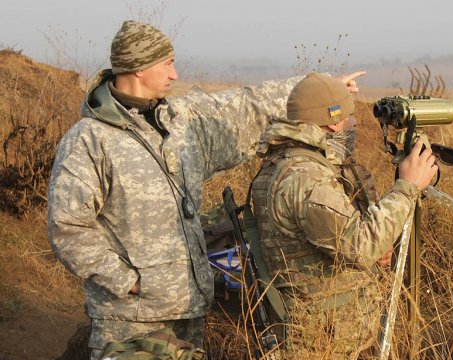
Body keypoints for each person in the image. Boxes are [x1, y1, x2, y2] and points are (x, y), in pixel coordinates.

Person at [46, 20, 361, 359]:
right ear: (138, 68)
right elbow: (68, 227)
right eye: (167, 63)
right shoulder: (89, 140)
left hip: (190, 309)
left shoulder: (182, 122)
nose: (174, 74)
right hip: (129, 320)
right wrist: (126, 281)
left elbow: (243, 106)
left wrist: (323, 91)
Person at [250, 72, 438, 358]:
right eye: (350, 116)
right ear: (333, 122)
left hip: (315, 328)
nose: (355, 122)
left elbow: (328, 242)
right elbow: (361, 245)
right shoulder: (306, 178)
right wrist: (407, 187)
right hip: (320, 339)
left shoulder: (285, 161)